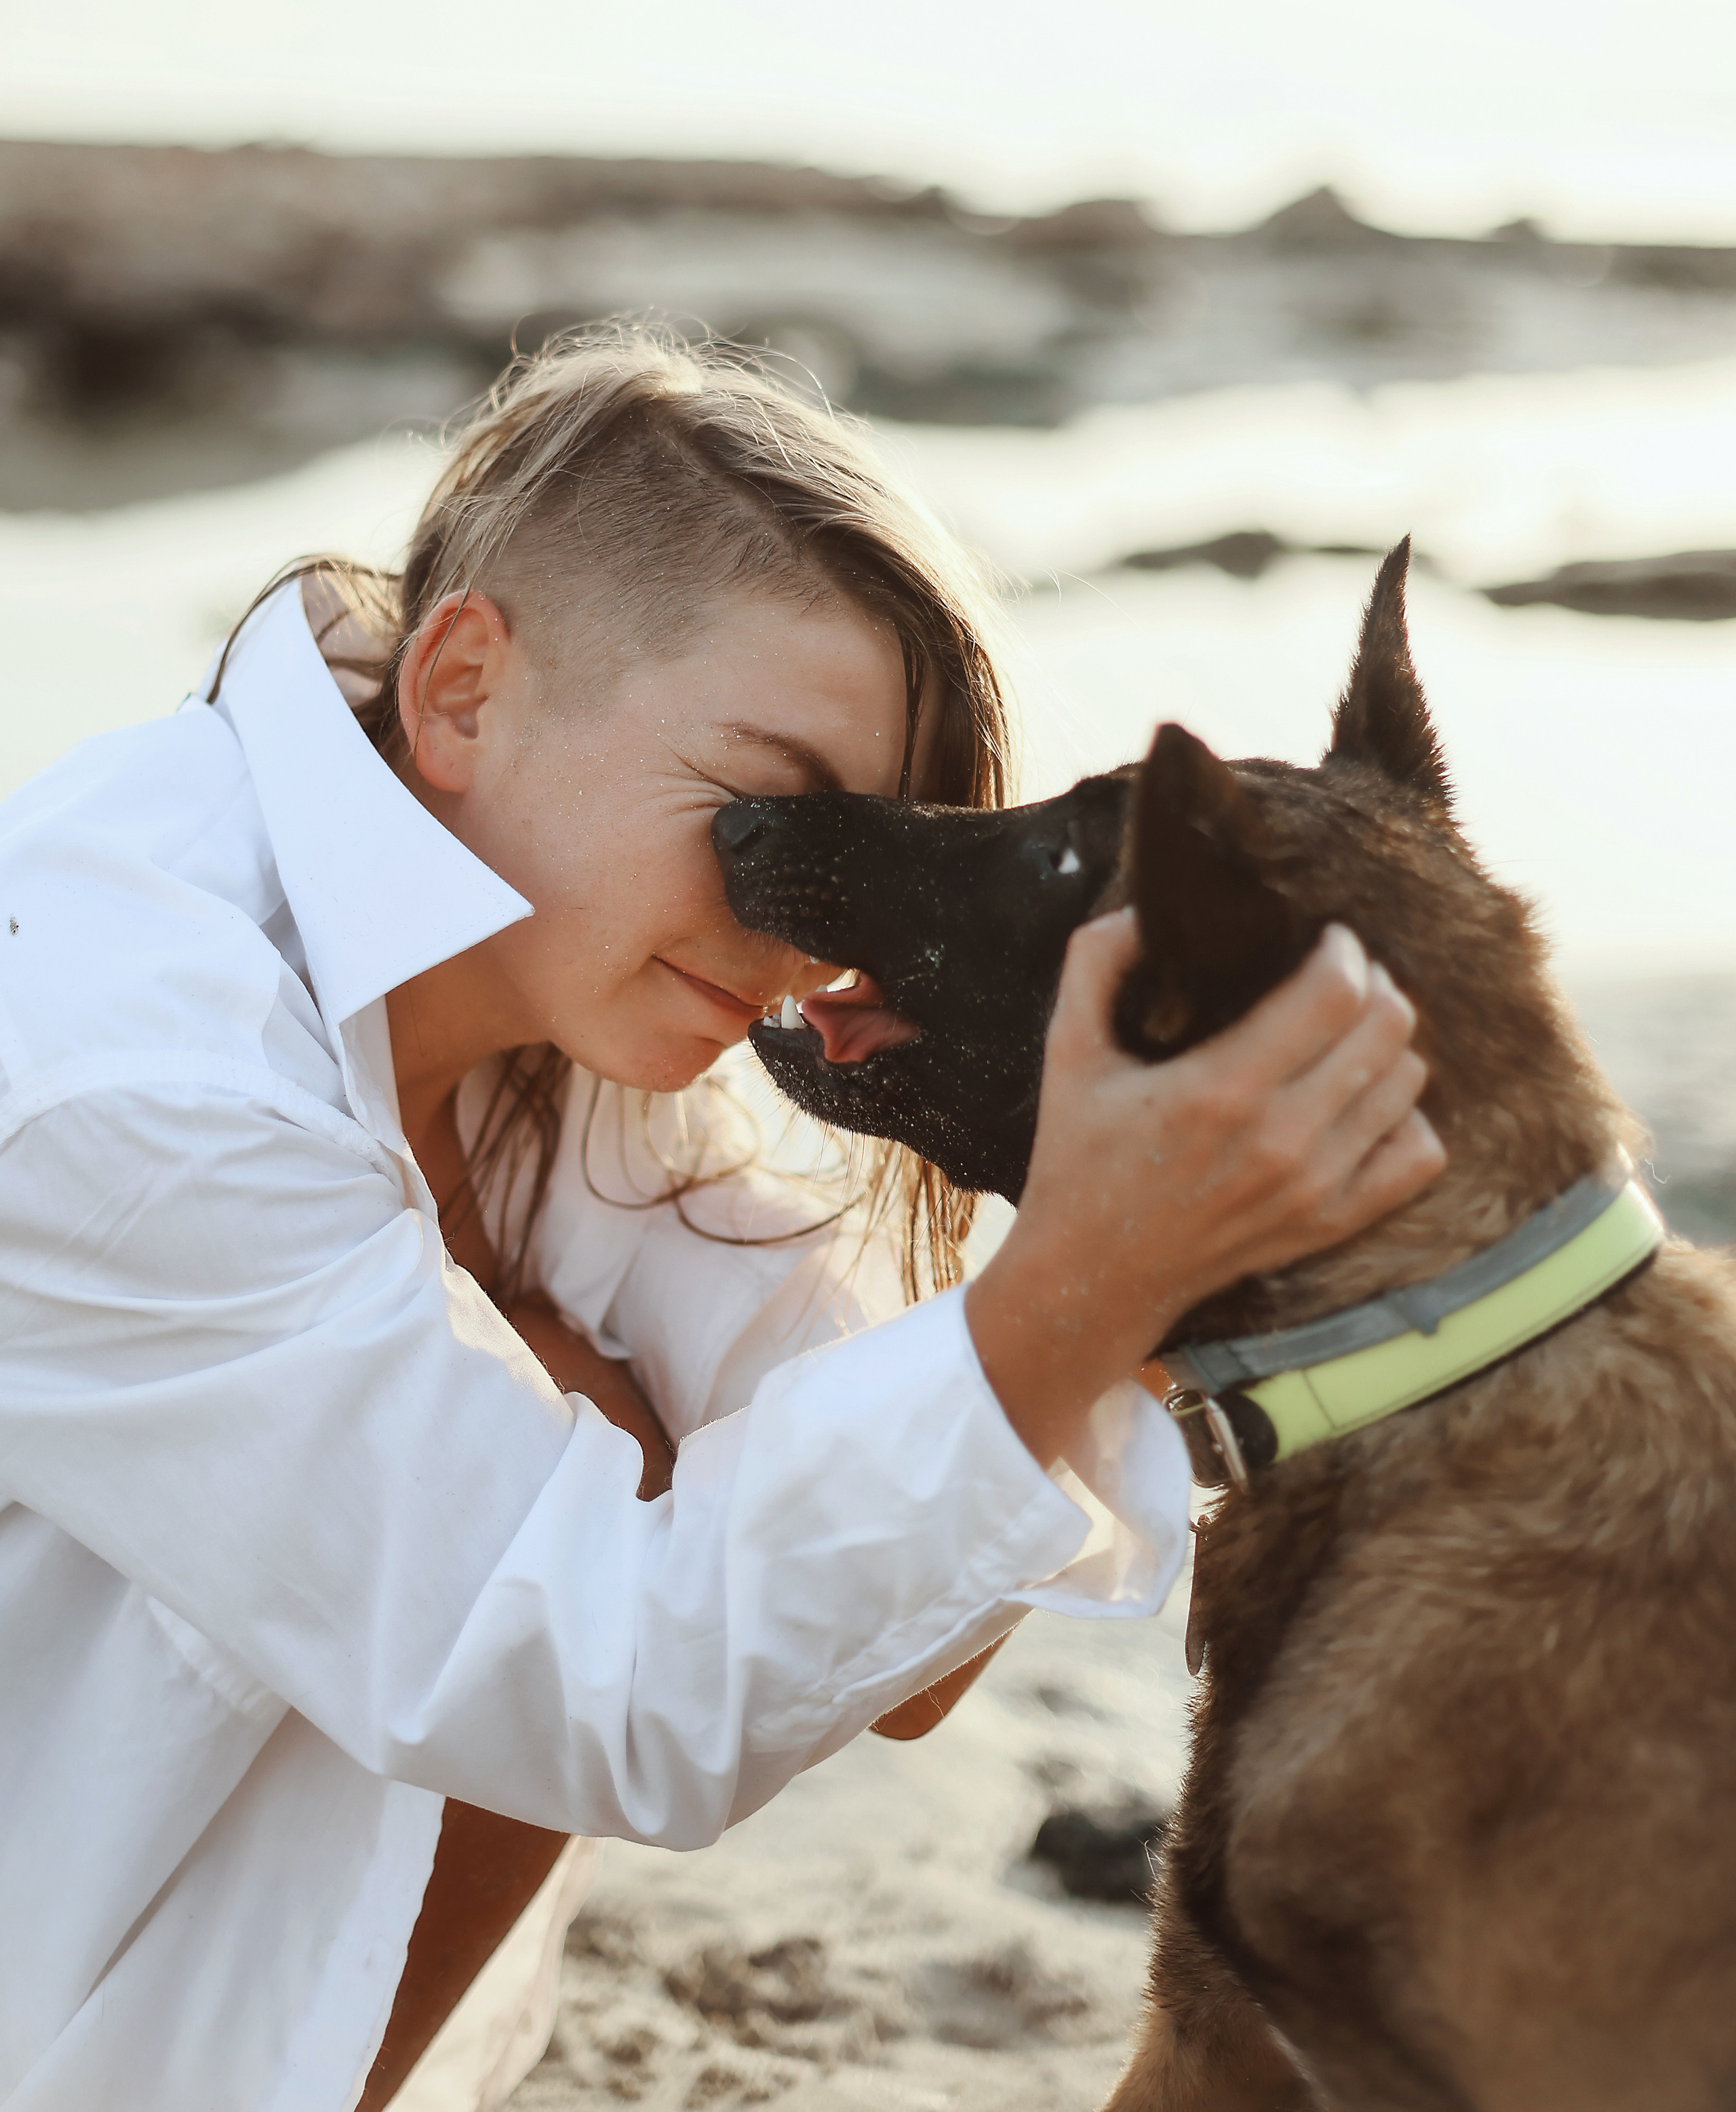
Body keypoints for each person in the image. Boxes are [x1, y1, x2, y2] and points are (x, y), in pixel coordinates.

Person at [0, 328, 1442, 2111]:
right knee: (556, 1478)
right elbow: (610, 1673)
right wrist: (1090, 1271)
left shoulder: (533, 943)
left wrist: (1168, 1263)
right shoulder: (137, 1083)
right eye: (763, 806)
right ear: (462, 689)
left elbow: (893, 1589)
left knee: (586, 1420)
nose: (806, 934)